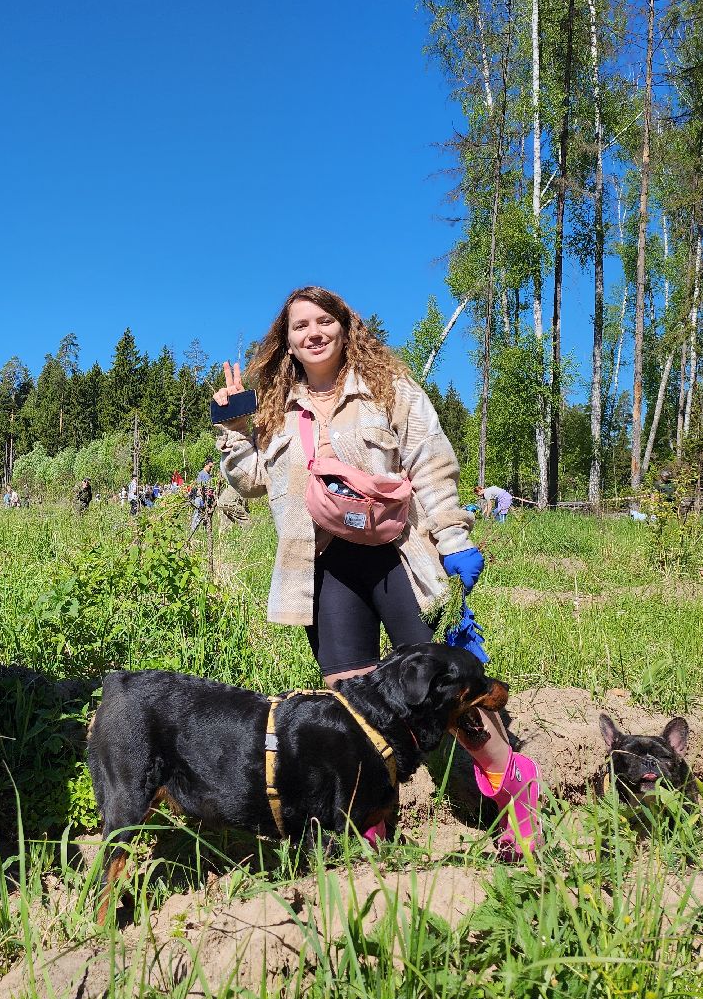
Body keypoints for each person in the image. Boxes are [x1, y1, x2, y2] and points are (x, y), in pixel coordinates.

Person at [212, 286, 541, 860]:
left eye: (324, 321)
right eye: (300, 326)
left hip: (397, 557)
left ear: (345, 327)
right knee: (354, 704)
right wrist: (236, 427)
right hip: (326, 569)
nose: (313, 333)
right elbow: (252, 480)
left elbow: (431, 463)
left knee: (452, 689)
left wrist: (454, 538)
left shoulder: (389, 387)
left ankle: (517, 794)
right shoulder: (276, 407)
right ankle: (373, 821)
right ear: (287, 341)